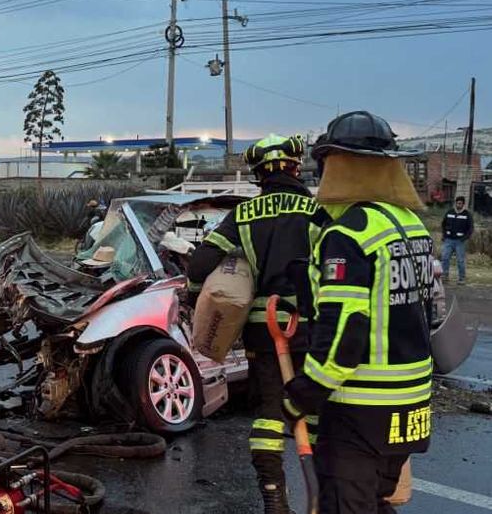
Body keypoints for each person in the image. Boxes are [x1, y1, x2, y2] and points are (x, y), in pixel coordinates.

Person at [283, 111, 434, 514]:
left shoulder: (349, 234)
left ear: (339, 164)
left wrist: (304, 393)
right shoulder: (411, 226)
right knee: (377, 502)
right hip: (412, 406)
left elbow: (344, 333)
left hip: (362, 410)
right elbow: (427, 311)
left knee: (345, 505)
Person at [188, 134, 322, 513]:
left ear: (257, 174)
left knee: (269, 414)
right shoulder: (318, 212)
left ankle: (274, 498)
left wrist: (198, 293)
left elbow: (199, 266)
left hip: (264, 331)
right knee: (314, 409)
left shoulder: (243, 215)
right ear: (297, 167)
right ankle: (324, 493)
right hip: (312, 328)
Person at [441, 195, 473, 284]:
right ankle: (444, 276)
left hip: (460, 241)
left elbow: (470, 228)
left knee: (460, 260)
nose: (458, 205)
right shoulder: (449, 212)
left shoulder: (467, 215)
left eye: (460, 203)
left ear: (463, 204)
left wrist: (464, 238)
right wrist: (444, 235)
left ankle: (461, 278)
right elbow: (443, 224)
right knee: (445, 258)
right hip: (448, 240)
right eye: (457, 203)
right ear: (455, 203)